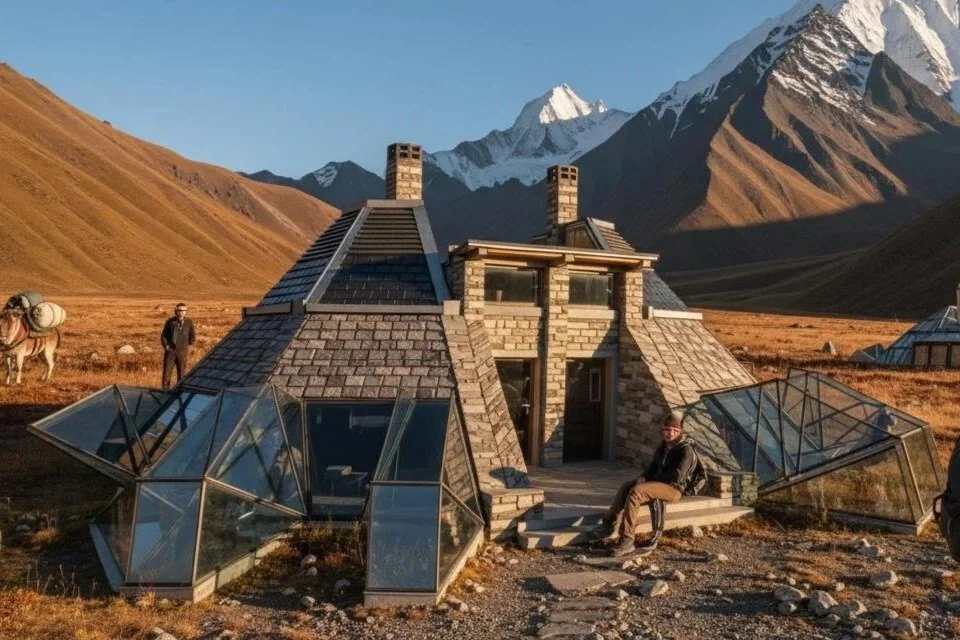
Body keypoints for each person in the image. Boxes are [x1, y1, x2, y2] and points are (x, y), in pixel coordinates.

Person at [593, 410, 697, 557]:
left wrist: (651, 481)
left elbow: (676, 476)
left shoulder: (685, 450)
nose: (669, 434)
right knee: (627, 486)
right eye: (666, 430)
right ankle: (609, 523)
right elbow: (653, 466)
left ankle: (627, 540)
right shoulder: (663, 447)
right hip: (658, 483)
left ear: (680, 431)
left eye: (674, 431)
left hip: (673, 488)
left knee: (638, 491)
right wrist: (644, 476)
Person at [160, 303, 196, 389]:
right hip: (171, 351)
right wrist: (166, 347)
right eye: (179, 310)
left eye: (184, 311)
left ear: (186, 312)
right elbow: (163, 336)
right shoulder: (170, 322)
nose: (181, 313)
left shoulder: (189, 322)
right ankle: (164, 393)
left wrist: (186, 345)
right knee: (166, 374)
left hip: (182, 351)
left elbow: (192, 336)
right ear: (176, 311)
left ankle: (179, 393)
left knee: (181, 373)